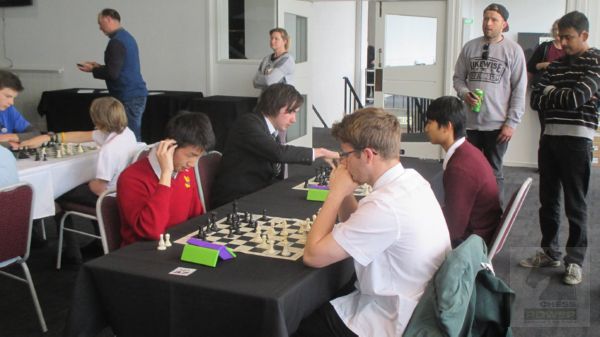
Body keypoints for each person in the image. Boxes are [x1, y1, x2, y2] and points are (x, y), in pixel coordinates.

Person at [295, 108, 451, 337]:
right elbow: (357, 225)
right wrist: (347, 193)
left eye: (346, 155)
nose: (343, 164)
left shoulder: (384, 206)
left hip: (392, 319)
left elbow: (313, 256)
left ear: (368, 155)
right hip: (422, 301)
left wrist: (335, 193)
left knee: (300, 324)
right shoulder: (412, 179)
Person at [521, 11, 600, 286]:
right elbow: (535, 99)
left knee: (575, 205)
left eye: (568, 38)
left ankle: (575, 262)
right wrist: (556, 93)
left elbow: (576, 98)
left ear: (584, 36)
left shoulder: (597, 61)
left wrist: (553, 92)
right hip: (549, 137)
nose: (562, 43)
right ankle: (549, 252)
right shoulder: (556, 64)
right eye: (559, 37)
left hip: (578, 141)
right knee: (548, 200)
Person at [20, 96, 139, 262]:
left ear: (97, 119)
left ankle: (72, 251)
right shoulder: (126, 133)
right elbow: (84, 136)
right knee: (78, 182)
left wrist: (87, 182)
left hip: (107, 196)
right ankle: (100, 240)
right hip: (121, 191)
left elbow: (98, 188)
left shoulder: (109, 150)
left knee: (57, 192)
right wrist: (49, 138)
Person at [211, 83, 339, 208]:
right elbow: (278, 153)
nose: (294, 119)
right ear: (274, 106)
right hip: (236, 200)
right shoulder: (248, 124)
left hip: (260, 192)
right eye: (290, 112)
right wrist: (321, 152)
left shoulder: (271, 129)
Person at [453, 3, 527, 200]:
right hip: (470, 124)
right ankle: (470, 213)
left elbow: (520, 89)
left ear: (504, 23)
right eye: (486, 18)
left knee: (493, 171)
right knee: (469, 171)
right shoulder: (470, 47)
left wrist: (511, 123)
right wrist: (464, 93)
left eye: (494, 19)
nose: (488, 23)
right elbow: (458, 79)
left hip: (498, 125)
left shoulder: (514, 51)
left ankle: (495, 218)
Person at [117, 112, 215, 246]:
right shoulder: (131, 178)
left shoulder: (184, 170)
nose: (193, 163)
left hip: (177, 245)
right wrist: (166, 175)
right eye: (190, 155)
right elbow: (151, 232)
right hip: (143, 254)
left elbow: (196, 216)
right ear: (169, 146)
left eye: (198, 157)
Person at [425, 96, 502, 248]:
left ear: (447, 127)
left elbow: (453, 229)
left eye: (429, 122)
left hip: (472, 242)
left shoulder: (460, 168)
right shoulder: (468, 151)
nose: (426, 128)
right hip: (480, 231)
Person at [78, 8, 148, 141]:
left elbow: (113, 73)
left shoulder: (116, 42)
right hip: (134, 94)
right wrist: (98, 67)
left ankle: (131, 162)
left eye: (100, 23)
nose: (100, 28)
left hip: (128, 96)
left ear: (108, 19)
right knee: (131, 136)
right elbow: (119, 68)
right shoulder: (126, 37)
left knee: (129, 138)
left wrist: (92, 70)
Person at [527, 19, 566, 136]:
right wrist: (544, 65)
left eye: (561, 30)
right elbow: (531, 67)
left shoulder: (570, 48)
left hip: (564, 93)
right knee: (545, 129)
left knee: (562, 130)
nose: (558, 33)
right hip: (544, 93)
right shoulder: (545, 47)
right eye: (555, 30)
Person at [0, 70, 40, 148]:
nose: (12, 103)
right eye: (8, 96)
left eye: (13, 98)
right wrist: (10, 144)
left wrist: (12, 137)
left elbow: (35, 133)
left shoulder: (9, 110)